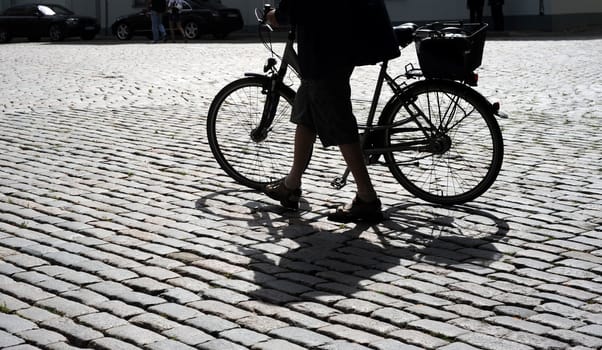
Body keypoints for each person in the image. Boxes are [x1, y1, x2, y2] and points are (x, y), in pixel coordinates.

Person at [264, 0, 400, 223]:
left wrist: (274, 16)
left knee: (338, 119)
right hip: (342, 39)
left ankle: (367, 198)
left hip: (326, 49)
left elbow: (291, 10)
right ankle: (290, 185)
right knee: (307, 113)